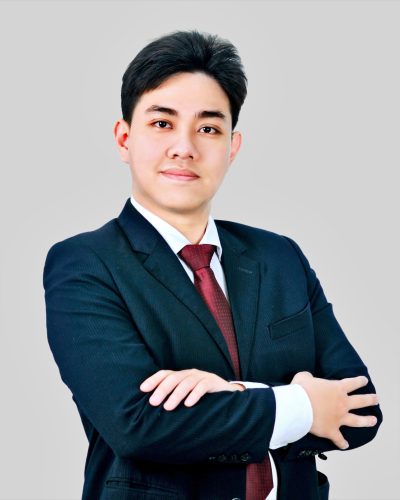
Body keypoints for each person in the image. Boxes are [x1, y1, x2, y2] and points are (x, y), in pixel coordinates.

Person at [43, 30, 382, 500]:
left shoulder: (280, 256)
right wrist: (304, 405)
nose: (184, 147)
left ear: (232, 146)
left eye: (208, 129)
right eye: (162, 123)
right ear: (124, 138)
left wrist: (235, 392)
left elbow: (361, 409)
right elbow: (137, 425)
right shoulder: (85, 264)